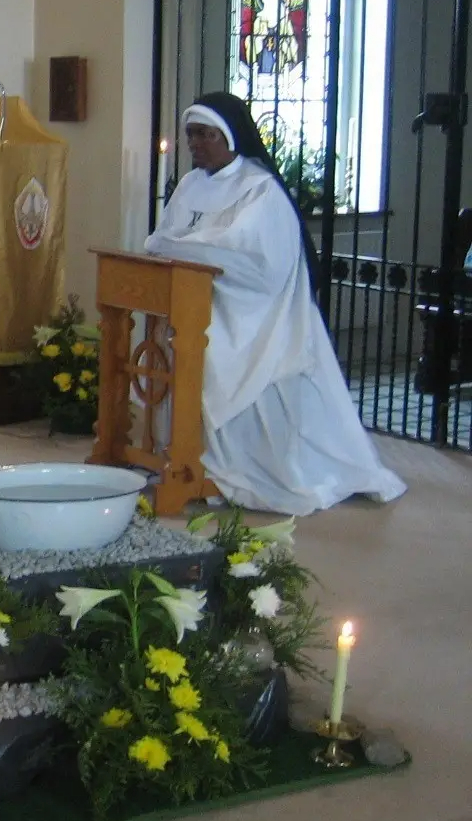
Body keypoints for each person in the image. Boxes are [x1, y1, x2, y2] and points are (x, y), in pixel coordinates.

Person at [143, 92, 406, 516]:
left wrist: (180, 246)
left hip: (256, 315)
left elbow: (257, 259)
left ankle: (243, 469)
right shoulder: (191, 184)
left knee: (215, 360)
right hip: (199, 304)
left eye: (204, 135)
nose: (195, 144)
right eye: (190, 135)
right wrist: (174, 246)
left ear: (228, 136)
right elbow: (166, 237)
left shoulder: (259, 189)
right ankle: (192, 460)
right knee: (188, 355)